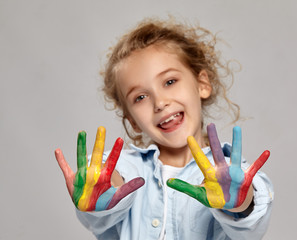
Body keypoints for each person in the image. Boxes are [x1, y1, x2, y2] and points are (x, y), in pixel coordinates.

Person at [55, 16, 274, 240]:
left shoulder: (231, 174)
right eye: (140, 97)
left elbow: (251, 222)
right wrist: (103, 192)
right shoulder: (125, 168)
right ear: (131, 120)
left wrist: (241, 203)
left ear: (202, 84)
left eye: (170, 82)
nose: (159, 103)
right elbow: (111, 191)